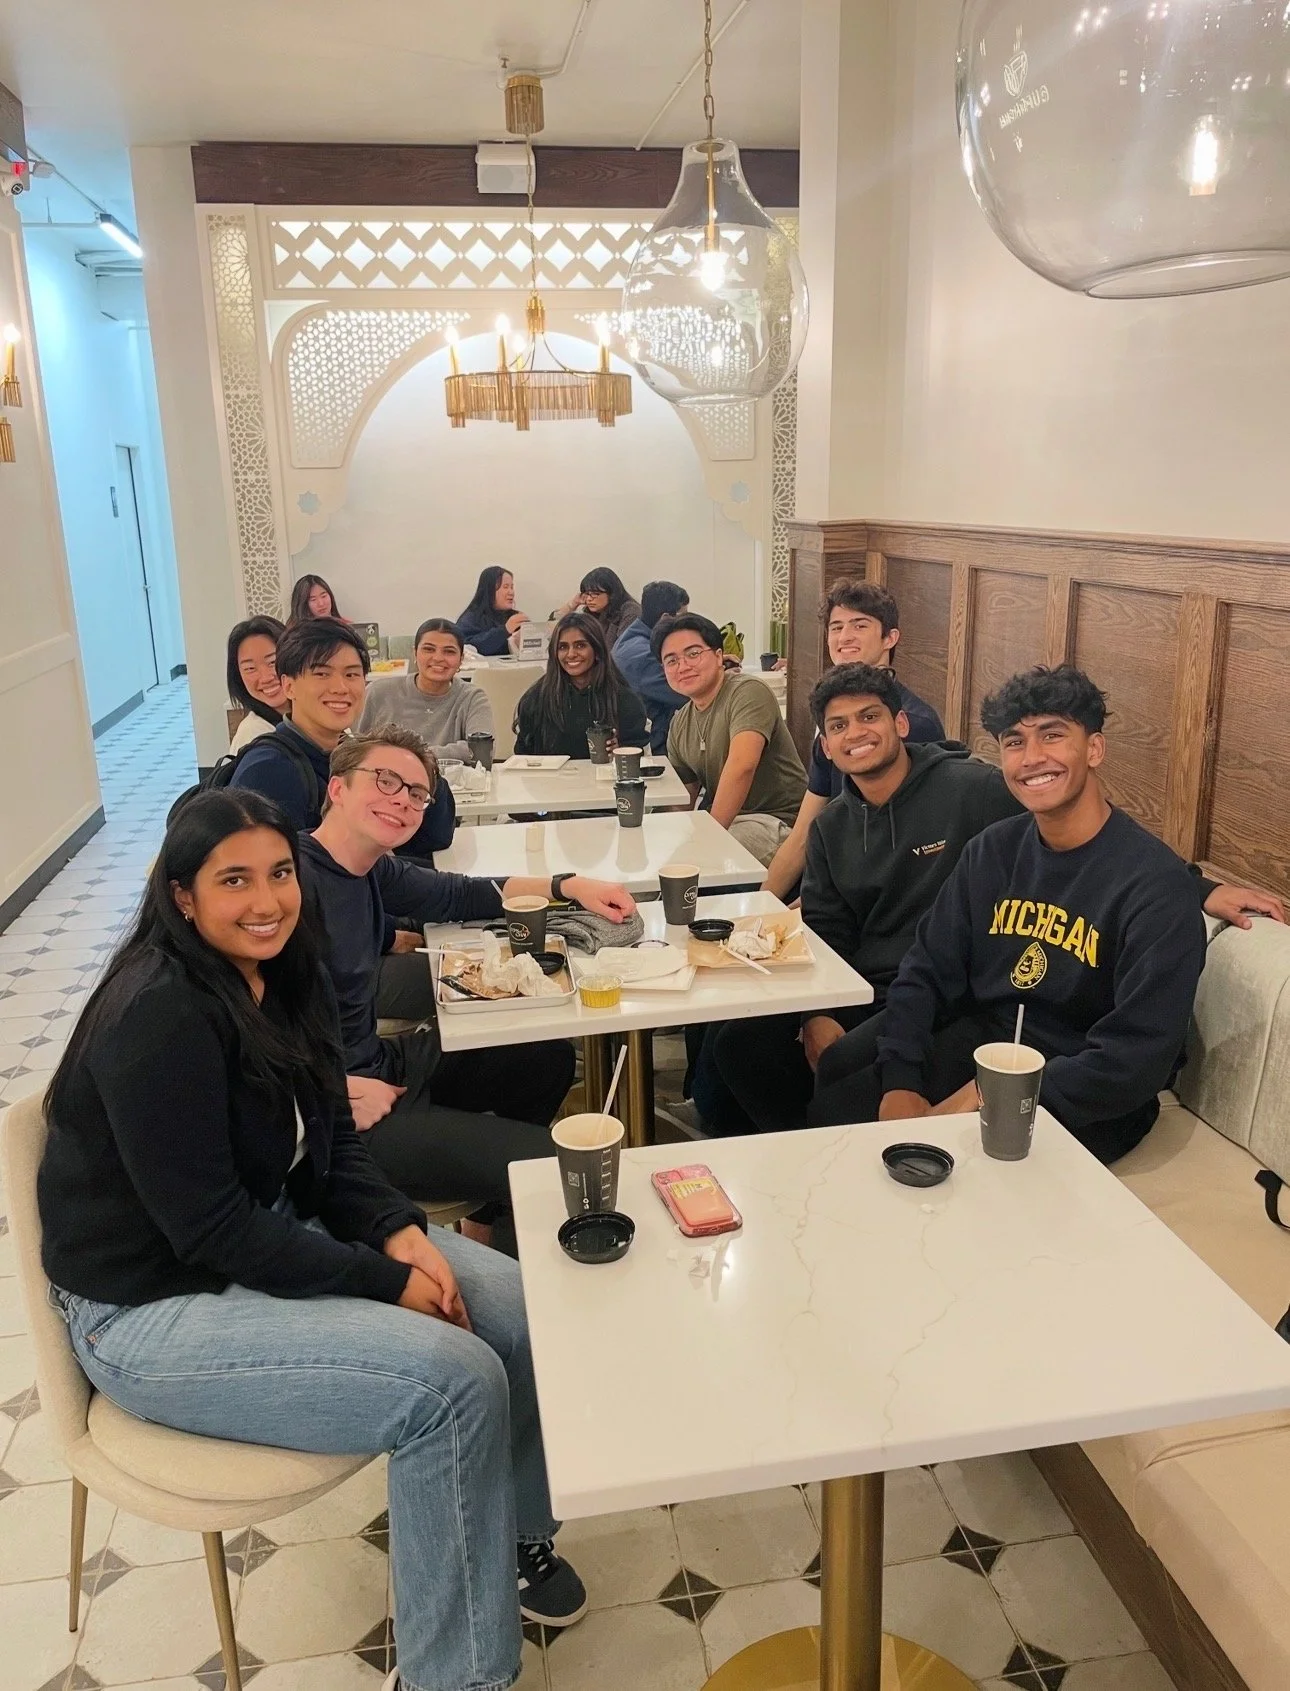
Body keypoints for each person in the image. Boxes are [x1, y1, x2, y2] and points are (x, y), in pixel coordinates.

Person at [38, 789, 588, 1691]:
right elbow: (208, 1227)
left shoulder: (287, 973)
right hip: (149, 1307)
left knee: (520, 1310)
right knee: (451, 1387)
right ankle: (459, 1676)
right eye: (234, 880)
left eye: (281, 873)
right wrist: (379, 1279)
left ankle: (516, 1537)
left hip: (258, 1231)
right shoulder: (159, 1013)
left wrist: (399, 1229)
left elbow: (327, 1146)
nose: (267, 900)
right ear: (184, 896)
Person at [814, 664, 1208, 1163]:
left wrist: (985, 1098)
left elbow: (1136, 1059)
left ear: (1094, 748)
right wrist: (901, 1079)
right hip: (984, 1042)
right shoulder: (992, 851)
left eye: (1053, 736)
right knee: (835, 1122)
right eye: (1015, 742)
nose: (1032, 758)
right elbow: (927, 969)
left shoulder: (1155, 886)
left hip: (1083, 1090)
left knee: (966, 1177)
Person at [303, 726, 636, 1247]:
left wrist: (567, 886)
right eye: (385, 781)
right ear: (337, 788)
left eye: (416, 794)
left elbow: (464, 894)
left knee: (542, 1057)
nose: (402, 802)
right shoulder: (289, 883)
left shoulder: (369, 870)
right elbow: (231, 1026)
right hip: (340, 1114)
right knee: (551, 1163)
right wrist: (322, 1094)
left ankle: (486, 1217)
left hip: (377, 1061)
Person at [709, 664, 1022, 1133]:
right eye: (838, 726)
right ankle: (799, 1150)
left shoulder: (973, 791)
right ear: (827, 748)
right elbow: (827, 929)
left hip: (950, 991)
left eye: (869, 717)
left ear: (899, 724)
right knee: (739, 1042)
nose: (856, 733)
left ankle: (827, 1144)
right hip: (862, 987)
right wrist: (818, 1012)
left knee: (841, 1076)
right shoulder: (831, 828)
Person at [763, 580, 946, 899]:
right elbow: (803, 834)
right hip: (830, 877)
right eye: (836, 627)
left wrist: (804, 913)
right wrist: (760, 909)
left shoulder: (913, 724)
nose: (844, 637)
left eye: (859, 625)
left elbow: (893, 855)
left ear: (891, 637)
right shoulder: (830, 720)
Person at [230, 617, 454, 861]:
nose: (340, 687)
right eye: (322, 673)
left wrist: (415, 767)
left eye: (351, 674)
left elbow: (435, 836)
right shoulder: (271, 771)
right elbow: (291, 880)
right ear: (289, 685)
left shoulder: (349, 753)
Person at [658, 612, 806, 866]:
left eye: (693, 654)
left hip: (778, 822)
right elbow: (683, 798)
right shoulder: (680, 722)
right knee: (656, 858)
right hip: (726, 822)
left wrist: (707, 837)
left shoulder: (747, 691)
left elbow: (742, 766)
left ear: (718, 657)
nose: (682, 666)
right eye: (671, 661)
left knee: (699, 861)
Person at [514, 611, 648, 759]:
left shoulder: (624, 700)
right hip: (548, 781)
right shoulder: (535, 699)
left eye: (580, 645)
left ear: (597, 650)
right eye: (563, 647)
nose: (571, 654)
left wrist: (621, 751)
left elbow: (638, 756)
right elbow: (522, 757)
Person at [359, 617, 494, 760]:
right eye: (429, 649)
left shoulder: (472, 697)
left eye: (449, 652)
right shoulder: (379, 692)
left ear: (461, 659)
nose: (438, 658)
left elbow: (481, 750)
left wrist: (411, 757)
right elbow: (353, 746)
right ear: (415, 653)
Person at [612, 580, 690, 755]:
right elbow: (687, 692)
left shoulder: (635, 638)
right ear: (665, 618)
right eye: (683, 617)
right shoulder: (641, 655)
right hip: (654, 746)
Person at [227, 615, 286, 753]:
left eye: (272, 662)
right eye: (250, 669)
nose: (266, 678)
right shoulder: (253, 735)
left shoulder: (316, 718)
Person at [551, 567, 642, 650]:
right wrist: (572, 604)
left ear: (611, 593)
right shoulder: (595, 613)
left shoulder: (630, 612)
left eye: (595, 593)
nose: (589, 598)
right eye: (587, 593)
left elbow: (622, 652)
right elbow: (551, 631)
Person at [457, 566, 529, 656]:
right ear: (490, 590)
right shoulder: (471, 617)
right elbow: (467, 649)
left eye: (512, 587)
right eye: (506, 587)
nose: (511, 592)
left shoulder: (514, 616)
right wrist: (505, 630)